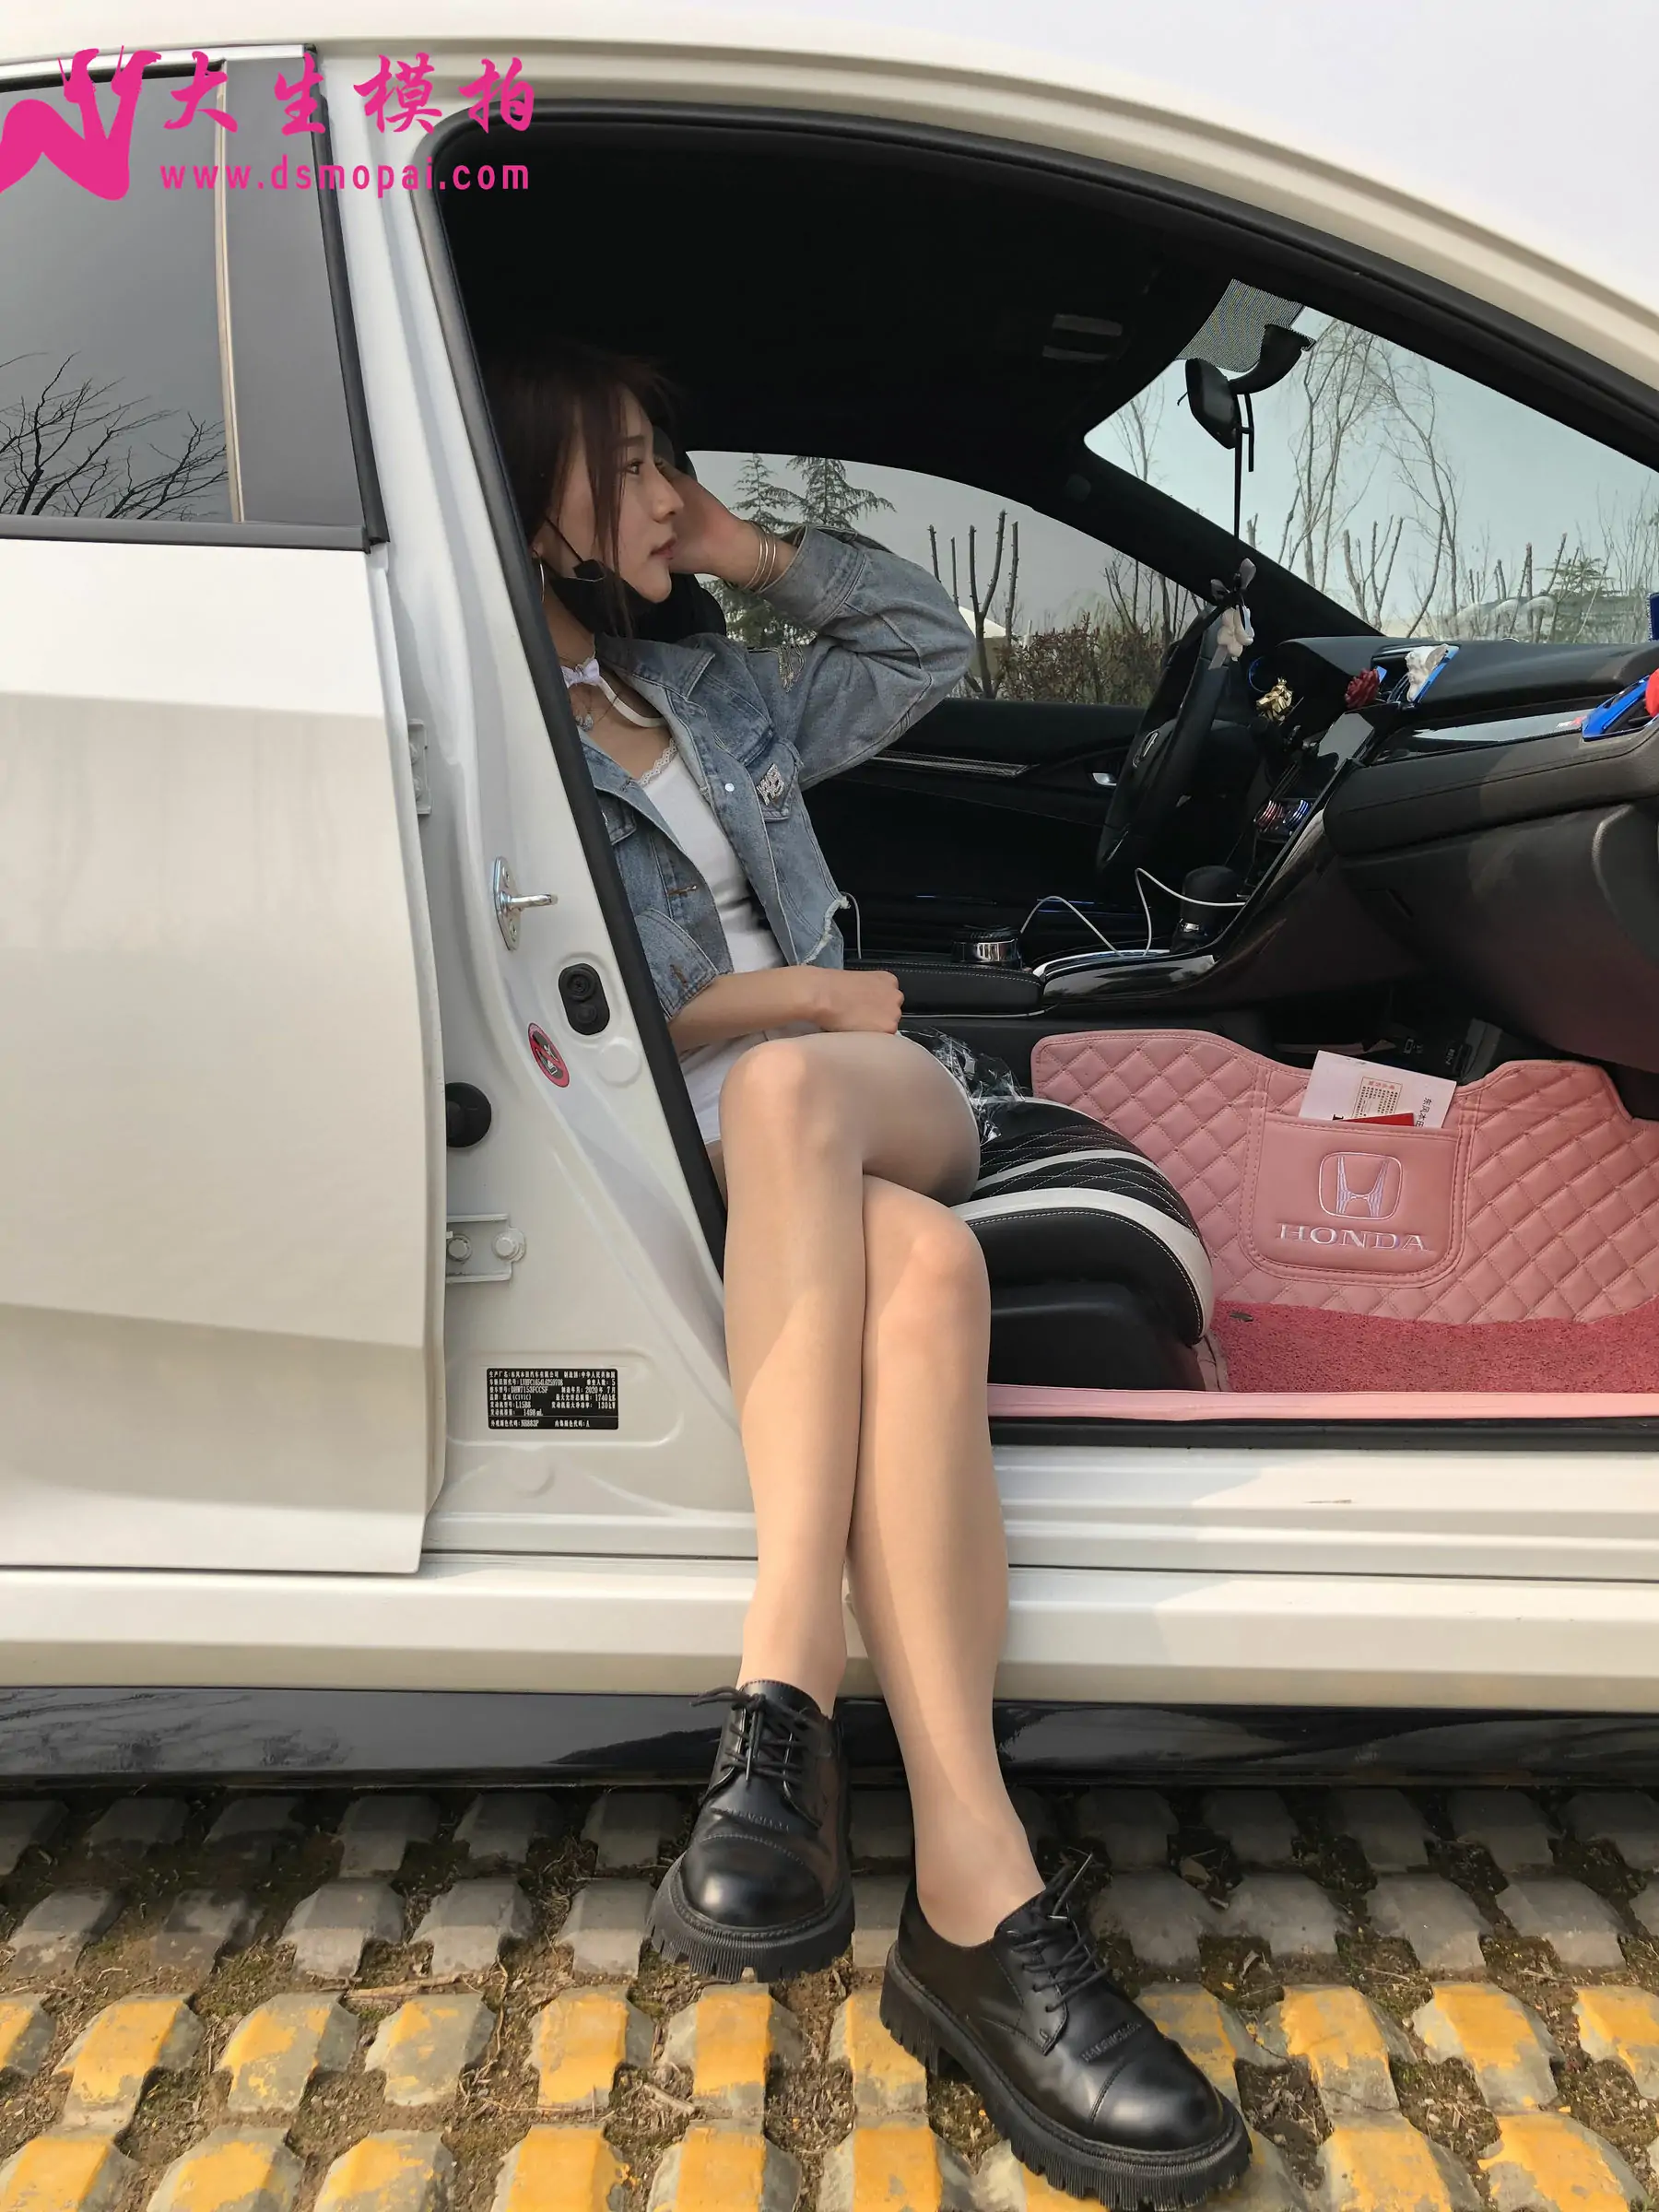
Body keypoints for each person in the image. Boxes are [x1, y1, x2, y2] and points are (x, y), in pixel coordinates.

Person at [484, 338, 1248, 2206]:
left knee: (804, 1102)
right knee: (922, 1289)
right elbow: (576, 1005)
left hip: (877, 1098)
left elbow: (922, 646)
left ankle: (779, 1703)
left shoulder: (710, 690)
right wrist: (799, 998)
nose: (668, 493)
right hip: (722, 1138)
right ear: (529, 507)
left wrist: (746, 552)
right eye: (627, 467)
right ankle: (977, 1903)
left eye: (669, 459)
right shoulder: (499, 737)